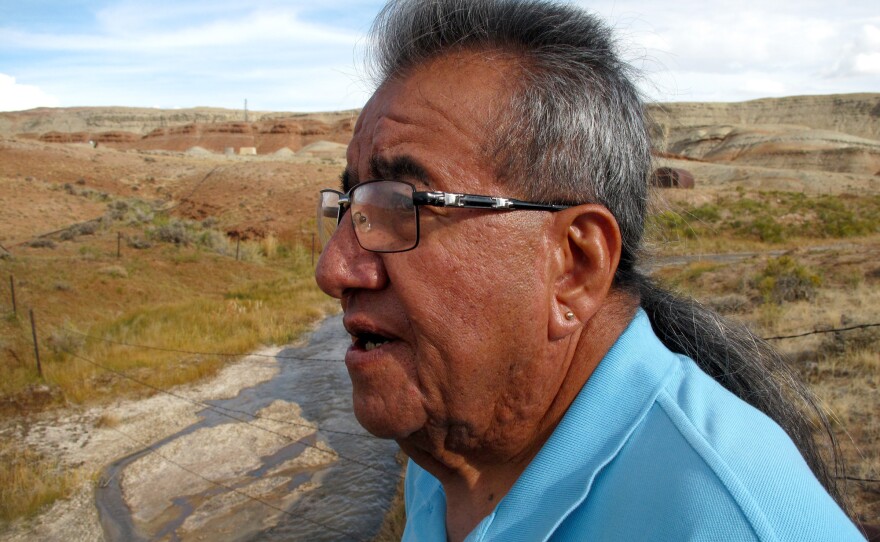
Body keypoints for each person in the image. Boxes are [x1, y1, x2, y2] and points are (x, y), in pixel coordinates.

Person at [315, 1, 865, 540]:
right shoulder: (445, 453)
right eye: (352, 208)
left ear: (575, 266)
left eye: (402, 206)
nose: (334, 269)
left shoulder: (731, 522)